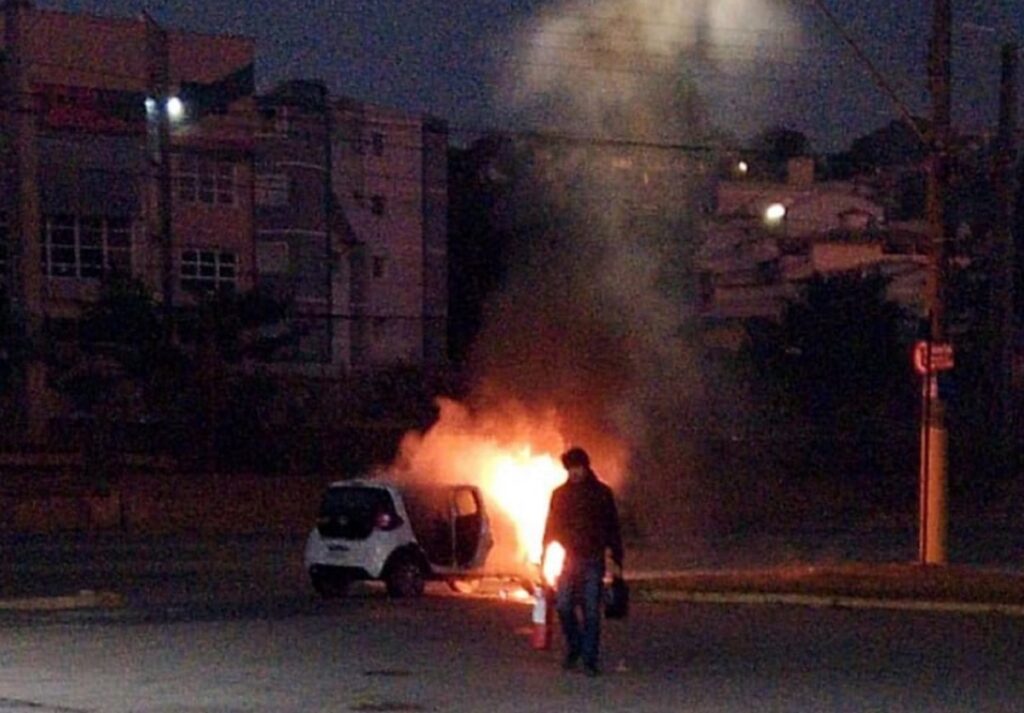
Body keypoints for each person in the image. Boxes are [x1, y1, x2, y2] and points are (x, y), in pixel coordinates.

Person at [541, 446, 624, 677]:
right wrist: (544, 555)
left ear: (586, 467)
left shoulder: (602, 493)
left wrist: (617, 560)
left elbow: (613, 528)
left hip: (593, 560)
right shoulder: (560, 494)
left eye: (577, 468)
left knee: (591, 610)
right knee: (564, 605)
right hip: (569, 559)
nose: (574, 473)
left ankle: (589, 659)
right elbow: (551, 527)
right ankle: (575, 646)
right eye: (570, 469)